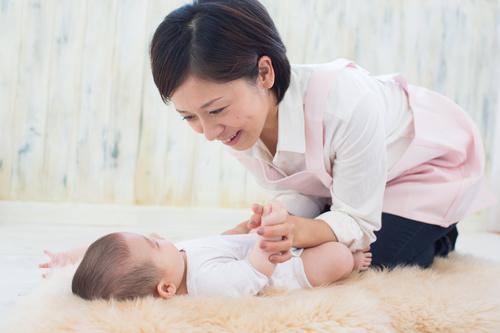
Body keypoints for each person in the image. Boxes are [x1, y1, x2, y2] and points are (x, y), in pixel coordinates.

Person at [149, 0, 494, 269]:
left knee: (364, 261)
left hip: (424, 167)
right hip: (353, 177)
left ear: (264, 73)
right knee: (295, 249)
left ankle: (440, 232)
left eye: (216, 110)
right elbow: (302, 185)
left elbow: (357, 221)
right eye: (188, 118)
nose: (209, 133)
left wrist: (300, 230)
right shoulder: (237, 122)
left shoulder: (345, 103)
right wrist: (276, 220)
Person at [39, 203, 372, 301]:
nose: (157, 235)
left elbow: (216, 243)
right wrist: (263, 243)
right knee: (336, 257)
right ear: (166, 289)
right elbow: (252, 273)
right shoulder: (206, 285)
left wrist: (68, 257)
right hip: (288, 269)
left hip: (251, 246)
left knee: (308, 221)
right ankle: (354, 262)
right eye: (153, 243)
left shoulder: (176, 259)